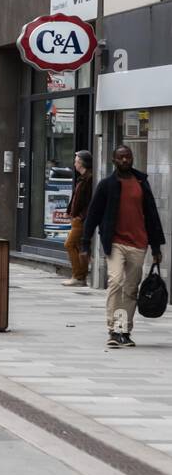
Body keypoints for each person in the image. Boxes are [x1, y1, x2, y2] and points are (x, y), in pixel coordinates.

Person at [80, 146, 166, 347]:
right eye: (121, 157)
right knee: (116, 281)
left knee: (130, 289)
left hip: (138, 244)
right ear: (114, 160)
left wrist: (156, 247)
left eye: (128, 157)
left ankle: (124, 330)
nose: (125, 160)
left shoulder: (141, 183)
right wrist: (85, 244)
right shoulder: (106, 185)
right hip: (116, 242)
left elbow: (152, 216)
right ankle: (113, 329)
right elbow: (92, 215)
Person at [62, 150, 94, 287]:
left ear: (81, 163)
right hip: (77, 218)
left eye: (76, 161)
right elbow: (76, 198)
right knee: (78, 246)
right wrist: (69, 211)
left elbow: (89, 201)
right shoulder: (82, 178)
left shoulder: (89, 179)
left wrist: (80, 216)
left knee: (69, 244)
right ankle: (80, 276)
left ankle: (78, 276)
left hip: (81, 219)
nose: (74, 163)